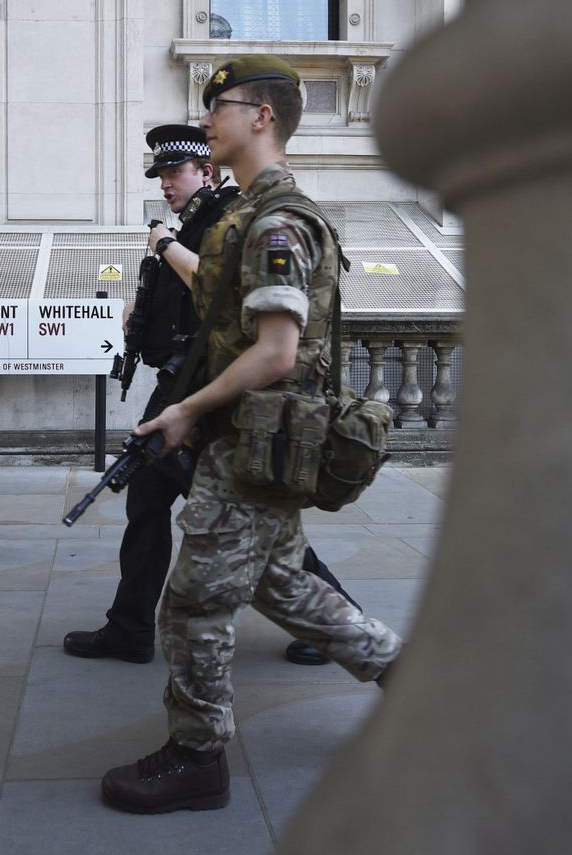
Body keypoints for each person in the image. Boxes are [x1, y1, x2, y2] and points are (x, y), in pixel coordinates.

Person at [100, 57, 402, 814]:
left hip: (257, 439)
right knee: (283, 583)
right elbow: (223, 303)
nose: (206, 118)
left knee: (195, 602)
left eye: (219, 104)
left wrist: (183, 410)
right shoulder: (251, 216)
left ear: (261, 115)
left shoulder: (276, 220)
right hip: (257, 437)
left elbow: (276, 350)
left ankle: (198, 756)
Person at [64, 125, 356, 667]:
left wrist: (166, 245)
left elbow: (219, 289)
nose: (166, 184)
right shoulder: (199, 219)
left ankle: (337, 621)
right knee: (148, 501)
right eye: (161, 174)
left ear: (207, 171)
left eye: (175, 172)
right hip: (181, 385)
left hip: (206, 393)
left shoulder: (226, 219)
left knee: (250, 520)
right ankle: (128, 628)